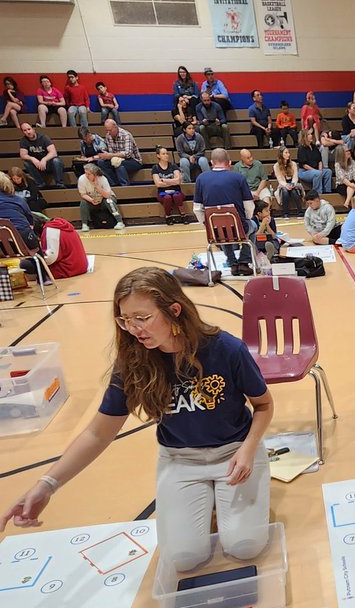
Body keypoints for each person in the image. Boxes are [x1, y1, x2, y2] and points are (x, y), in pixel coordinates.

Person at [4, 269, 272, 559]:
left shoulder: (226, 349)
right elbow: (97, 433)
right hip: (181, 460)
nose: (134, 329)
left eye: (142, 318)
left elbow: (264, 405)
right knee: (184, 557)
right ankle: (208, 500)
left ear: (174, 311)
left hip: (234, 453)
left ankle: (230, 499)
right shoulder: (133, 362)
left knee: (245, 547)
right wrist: (47, 485)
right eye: (125, 319)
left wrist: (248, 449)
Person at [194, 148, 256, 275]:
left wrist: (206, 225)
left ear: (211, 162)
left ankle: (232, 263)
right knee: (253, 226)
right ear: (229, 162)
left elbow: (197, 208)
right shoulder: (238, 178)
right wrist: (247, 218)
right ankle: (244, 262)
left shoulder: (201, 178)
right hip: (239, 228)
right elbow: (249, 206)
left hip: (215, 230)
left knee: (222, 229)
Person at [77, 162, 124, 230]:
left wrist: (98, 188)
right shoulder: (81, 179)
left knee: (108, 200)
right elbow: (83, 194)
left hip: (105, 199)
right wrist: (91, 200)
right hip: (93, 201)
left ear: (95, 175)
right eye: (85, 173)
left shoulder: (103, 179)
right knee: (83, 202)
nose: (86, 175)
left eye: (89, 174)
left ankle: (120, 222)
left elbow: (108, 195)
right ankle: (84, 224)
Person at [0, 172, 39, 250]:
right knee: (37, 250)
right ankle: (41, 261)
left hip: (2, 244)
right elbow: (30, 220)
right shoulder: (18, 200)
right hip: (22, 239)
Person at [18, 122, 65, 188]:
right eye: (25, 130)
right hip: (37, 165)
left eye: (29, 129)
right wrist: (33, 159)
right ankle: (40, 183)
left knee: (56, 161)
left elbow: (53, 152)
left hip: (48, 164)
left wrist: (44, 159)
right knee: (27, 163)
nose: (28, 132)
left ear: (33, 129)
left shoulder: (43, 138)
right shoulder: (23, 141)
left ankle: (59, 183)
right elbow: (23, 155)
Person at [152, 146, 189, 224]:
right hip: (162, 192)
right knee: (167, 198)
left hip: (176, 190)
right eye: (163, 154)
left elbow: (178, 181)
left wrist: (164, 180)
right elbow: (158, 184)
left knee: (177, 196)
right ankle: (168, 216)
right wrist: (172, 181)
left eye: (167, 153)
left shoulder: (173, 166)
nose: (166, 155)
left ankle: (183, 215)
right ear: (158, 156)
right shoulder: (155, 168)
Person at [99, 119, 143, 186]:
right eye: (107, 130)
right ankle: (114, 184)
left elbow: (128, 153)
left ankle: (125, 186)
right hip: (115, 158)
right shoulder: (108, 136)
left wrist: (111, 156)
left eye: (110, 130)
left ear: (115, 127)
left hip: (133, 160)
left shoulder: (126, 135)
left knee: (118, 163)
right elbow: (111, 152)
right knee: (101, 162)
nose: (109, 132)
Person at [297, 129, 333, 194]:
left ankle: (327, 192)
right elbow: (304, 165)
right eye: (309, 134)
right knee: (317, 173)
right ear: (304, 137)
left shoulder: (314, 147)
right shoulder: (301, 149)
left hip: (316, 170)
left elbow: (319, 160)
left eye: (311, 134)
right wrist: (316, 171)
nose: (311, 136)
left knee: (328, 172)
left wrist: (320, 170)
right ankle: (317, 193)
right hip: (305, 171)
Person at [273, 147, 305, 217]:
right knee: (285, 191)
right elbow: (280, 180)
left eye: (288, 152)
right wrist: (286, 185)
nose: (288, 154)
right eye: (286, 153)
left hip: (293, 183)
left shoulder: (293, 164)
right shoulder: (276, 166)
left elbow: (295, 177)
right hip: (283, 185)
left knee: (293, 191)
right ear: (281, 154)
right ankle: (286, 213)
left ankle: (300, 211)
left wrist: (292, 184)